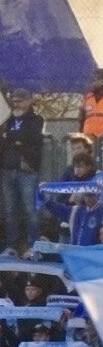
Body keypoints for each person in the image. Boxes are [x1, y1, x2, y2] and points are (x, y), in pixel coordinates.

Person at [0, 88, 44, 252]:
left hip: (27, 170)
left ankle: (34, 244)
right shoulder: (7, 119)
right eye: (14, 100)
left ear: (28, 101)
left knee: (30, 209)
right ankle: (12, 245)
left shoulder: (36, 119)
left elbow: (30, 136)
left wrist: (11, 137)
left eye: (20, 100)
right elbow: (4, 139)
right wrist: (15, 139)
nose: (16, 104)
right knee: (10, 210)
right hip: (7, 169)